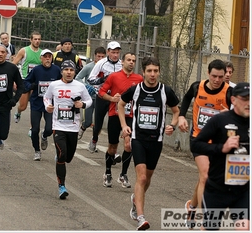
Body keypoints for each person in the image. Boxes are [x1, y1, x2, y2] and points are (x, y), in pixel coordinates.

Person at [117, 56, 180, 230]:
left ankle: (135, 199)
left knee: (147, 179)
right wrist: (124, 127)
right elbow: (120, 105)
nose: (153, 74)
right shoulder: (135, 90)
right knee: (142, 177)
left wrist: (172, 126)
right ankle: (141, 217)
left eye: (156, 71)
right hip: (138, 139)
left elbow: (176, 112)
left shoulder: (165, 91)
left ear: (159, 72)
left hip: (156, 141)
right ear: (143, 72)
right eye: (149, 71)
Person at [177, 59, 232, 229]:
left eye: (221, 77)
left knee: (204, 178)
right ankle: (205, 222)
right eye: (214, 76)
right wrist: (180, 116)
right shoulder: (196, 87)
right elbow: (186, 99)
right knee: (206, 176)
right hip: (199, 140)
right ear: (208, 73)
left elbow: (242, 111)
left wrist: (229, 112)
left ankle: (191, 207)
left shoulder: (230, 92)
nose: (217, 80)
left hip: (219, 143)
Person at [190, 82, 249, 230]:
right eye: (244, 99)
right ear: (234, 100)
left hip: (243, 190)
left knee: (245, 227)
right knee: (210, 228)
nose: (249, 103)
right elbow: (196, 145)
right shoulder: (220, 121)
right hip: (217, 189)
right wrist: (222, 147)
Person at [43, 60, 93, 199]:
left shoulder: (80, 86)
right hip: (58, 126)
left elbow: (89, 101)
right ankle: (62, 186)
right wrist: (48, 106)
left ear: (75, 72)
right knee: (62, 155)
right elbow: (46, 98)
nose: (69, 72)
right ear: (62, 72)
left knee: (68, 157)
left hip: (73, 127)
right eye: (66, 70)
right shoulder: (54, 85)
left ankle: (60, 158)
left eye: (71, 70)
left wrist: (81, 104)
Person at [98, 52, 143, 188]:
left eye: (133, 61)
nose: (131, 63)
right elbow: (101, 92)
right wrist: (112, 99)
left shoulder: (139, 79)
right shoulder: (114, 77)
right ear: (122, 62)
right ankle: (107, 172)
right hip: (115, 114)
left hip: (131, 116)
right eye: (128, 60)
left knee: (129, 145)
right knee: (113, 147)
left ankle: (123, 175)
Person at [0, 44, 24, 170]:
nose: (1, 54)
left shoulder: (12, 68)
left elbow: (21, 86)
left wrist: (14, 100)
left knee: (3, 134)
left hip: (6, 105)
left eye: (3, 52)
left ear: (6, 54)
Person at [23, 49, 62, 161]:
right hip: (37, 102)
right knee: (35, 130)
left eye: (49, 57)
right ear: (41, 59)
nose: (47, 59)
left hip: (50, 104)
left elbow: (62, 82)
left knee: (50, 128)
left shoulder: (56, 70)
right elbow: (26, 81)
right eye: (45, 57)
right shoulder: (36, 70)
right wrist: (32, 86)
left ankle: (44, 136)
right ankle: (37, 150)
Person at [87, 41, 123, 153]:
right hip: (102, 96)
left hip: (115, 99)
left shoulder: (122, 64)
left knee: (114, 125)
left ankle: (112, 150)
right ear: (108, 52)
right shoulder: (101, 63)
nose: (115, 55)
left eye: (117, 52)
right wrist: (103, 80)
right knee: (98, 124)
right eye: (113, 52)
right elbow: (90, 80)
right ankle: (94, 140)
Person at [75, 46, 106, 140]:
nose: (100, 59)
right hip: (90, 98)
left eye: (102, 57)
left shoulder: (107, 68)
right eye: (98, 56)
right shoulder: (89, 67)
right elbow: (78, 78)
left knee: (98, 123)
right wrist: (86, 86)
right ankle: (83, 127)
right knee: (88, 121)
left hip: (102, 98)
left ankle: (94, 141)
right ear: (94, 56)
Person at [11, 31, 42, 123]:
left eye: (39, 39)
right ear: (31, 40)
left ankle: (33, 127)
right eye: (35, 39)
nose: (37, 41)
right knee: (23, 106)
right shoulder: (24, 50)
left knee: (35, 106)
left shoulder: (42, 53)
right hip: (24, 79)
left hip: (36, 81)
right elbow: (13, 65)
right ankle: (18, 111)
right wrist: (14, 81)